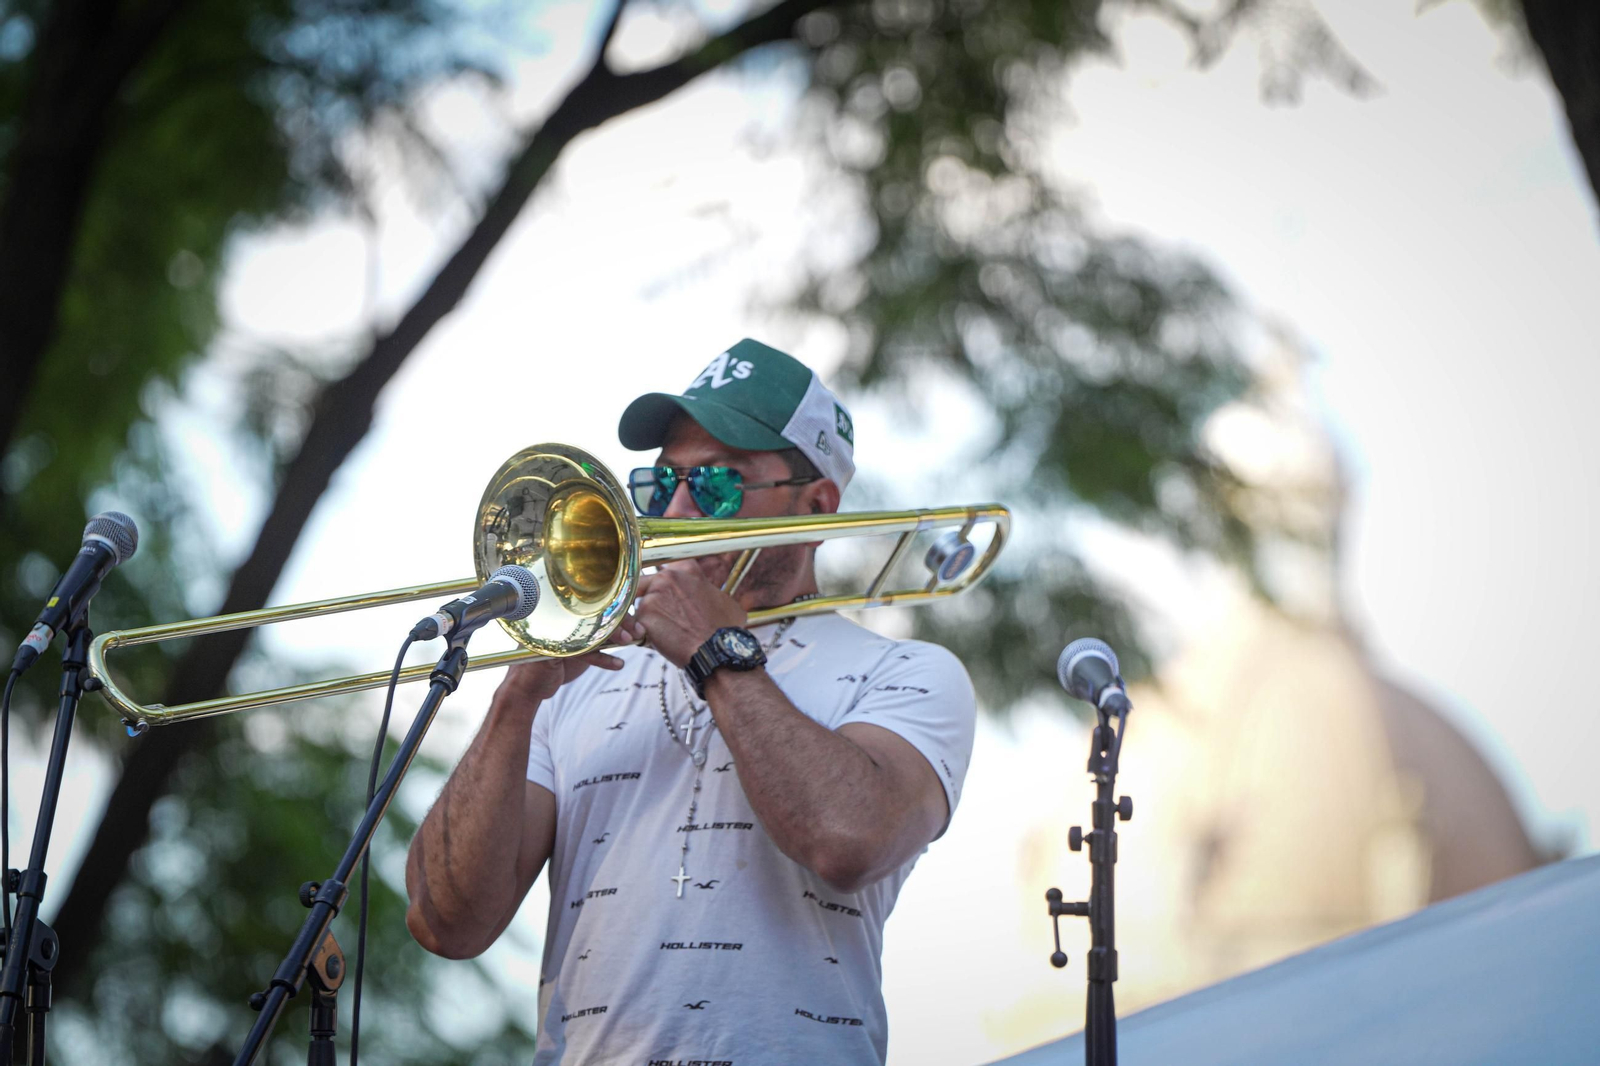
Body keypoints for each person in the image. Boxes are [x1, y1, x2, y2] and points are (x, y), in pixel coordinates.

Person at [405, 339, 977, 1065]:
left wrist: (717, 654)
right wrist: (521, 692)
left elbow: (848, 839)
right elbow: (445, 922)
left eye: (716, 485)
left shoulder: (907, 672)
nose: (674, 510)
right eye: (659, 483)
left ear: (818, 505)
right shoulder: (574, 684)